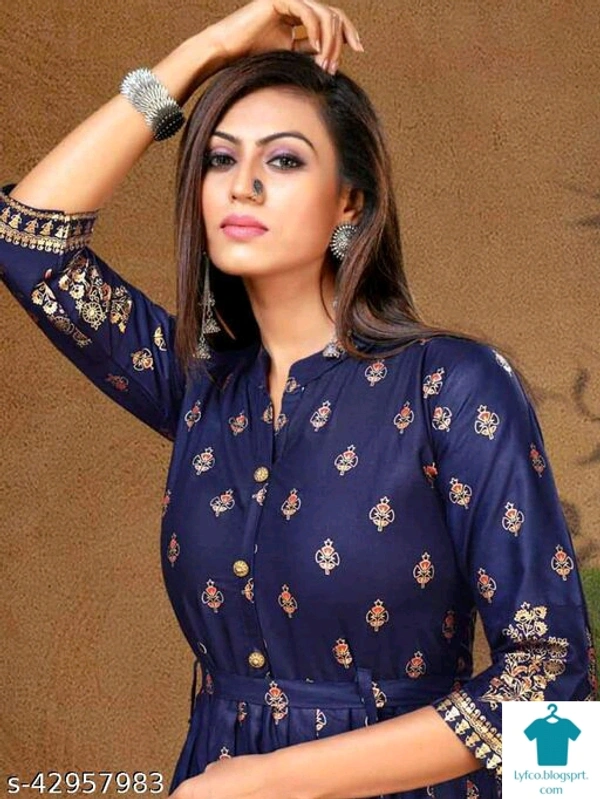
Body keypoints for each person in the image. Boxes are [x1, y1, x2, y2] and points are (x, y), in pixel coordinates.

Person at [1, 1, 596, 797]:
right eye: (220, 159)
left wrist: (274, 779)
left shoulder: (449, 384)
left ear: (350, 202)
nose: (243, 185)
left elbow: (553, 681)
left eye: (283, 160)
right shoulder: (200, 388)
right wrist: (204, 51)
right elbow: (26, 242)